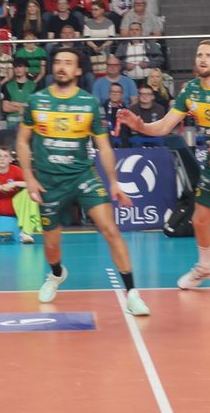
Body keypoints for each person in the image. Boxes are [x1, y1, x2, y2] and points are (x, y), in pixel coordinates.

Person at [119, 38, 210, 308]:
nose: (202, 59)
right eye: (199, 54)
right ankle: (206, 267)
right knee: (200, 220)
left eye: (208, 55)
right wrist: (139, 126)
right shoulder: (190, 91)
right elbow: (164, 126)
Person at [19, 47, 148, 315]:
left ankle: (133, 293)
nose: (61, 67)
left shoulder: (88, 103)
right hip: (49, 181)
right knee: (51, 245)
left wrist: (114, 182)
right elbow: (22, 141)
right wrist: (29, 177)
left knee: (110, 229)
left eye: (68, 63)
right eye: (58, 62)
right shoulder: (36, 100)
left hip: (83, 176)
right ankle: (56, 274)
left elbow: (104, 146)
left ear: (78, 70)